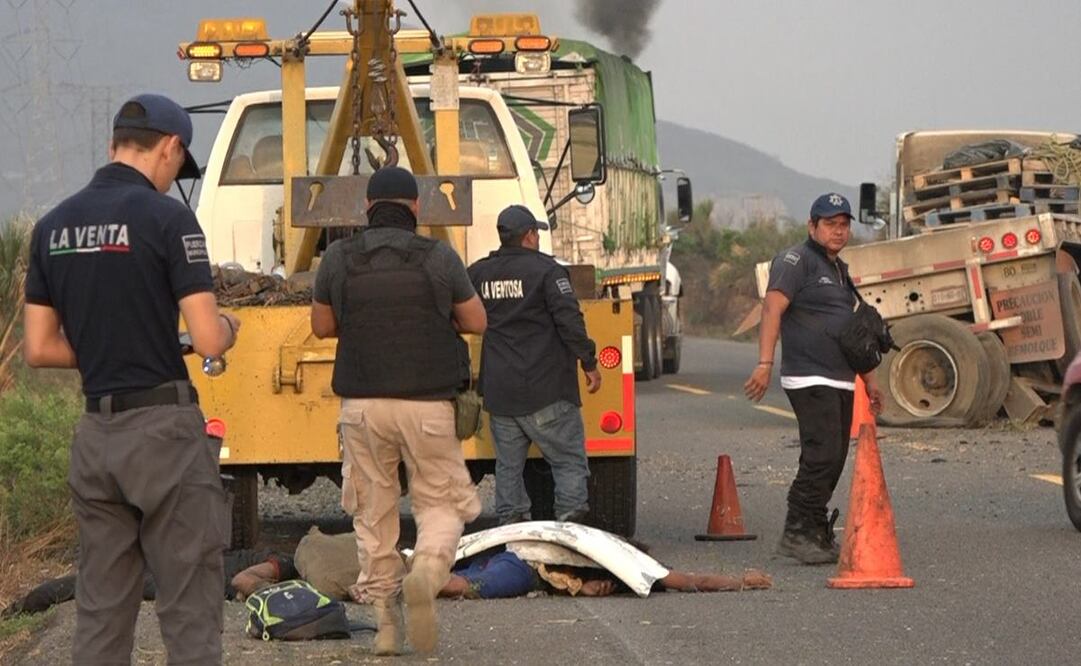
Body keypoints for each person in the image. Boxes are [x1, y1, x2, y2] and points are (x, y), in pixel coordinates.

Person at [22, 93, 239, 664]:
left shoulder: (53, 226)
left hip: (96, 437)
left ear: (115, 143)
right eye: (177, 165)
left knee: (100, 608)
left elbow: (39, 349)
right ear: (170, 148)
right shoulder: (168, 219)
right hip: (164, 434)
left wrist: (101, 350)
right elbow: (209, 338)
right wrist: (228, 328)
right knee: (190, 606)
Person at [310, 166, 486, 655]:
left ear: (367, 208)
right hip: (427, 404)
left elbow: (322, 326)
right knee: (442, 502)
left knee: (373, 514)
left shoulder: (339, 258)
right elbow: (476, 321)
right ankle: (427, 571)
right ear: (414, 208)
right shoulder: (439, 257)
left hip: (363, 406)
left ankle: (387, 624)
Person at [743, 192, 884, 565]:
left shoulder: (839, 268)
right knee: (820, 457)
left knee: (833, 458)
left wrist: (870, 381)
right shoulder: (796, 260)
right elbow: (772, 307)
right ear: (812, 226)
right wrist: (764, 362)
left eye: (843, 225)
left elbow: (850, 331)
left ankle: (815, 529)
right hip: (808, 376)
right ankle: (797, 532)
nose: (838, 231)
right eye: (829, 224)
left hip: (840, 378)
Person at [467, 205, 601, 526]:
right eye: (536, 233)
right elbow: (569, 321)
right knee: (567, 461)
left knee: (508, 467)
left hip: (501, 393)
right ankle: (569, 529)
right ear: (529, 235)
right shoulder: (548, 272)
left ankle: (512, 533)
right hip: (547, 389)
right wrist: (589, 361)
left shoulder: (478, 273)